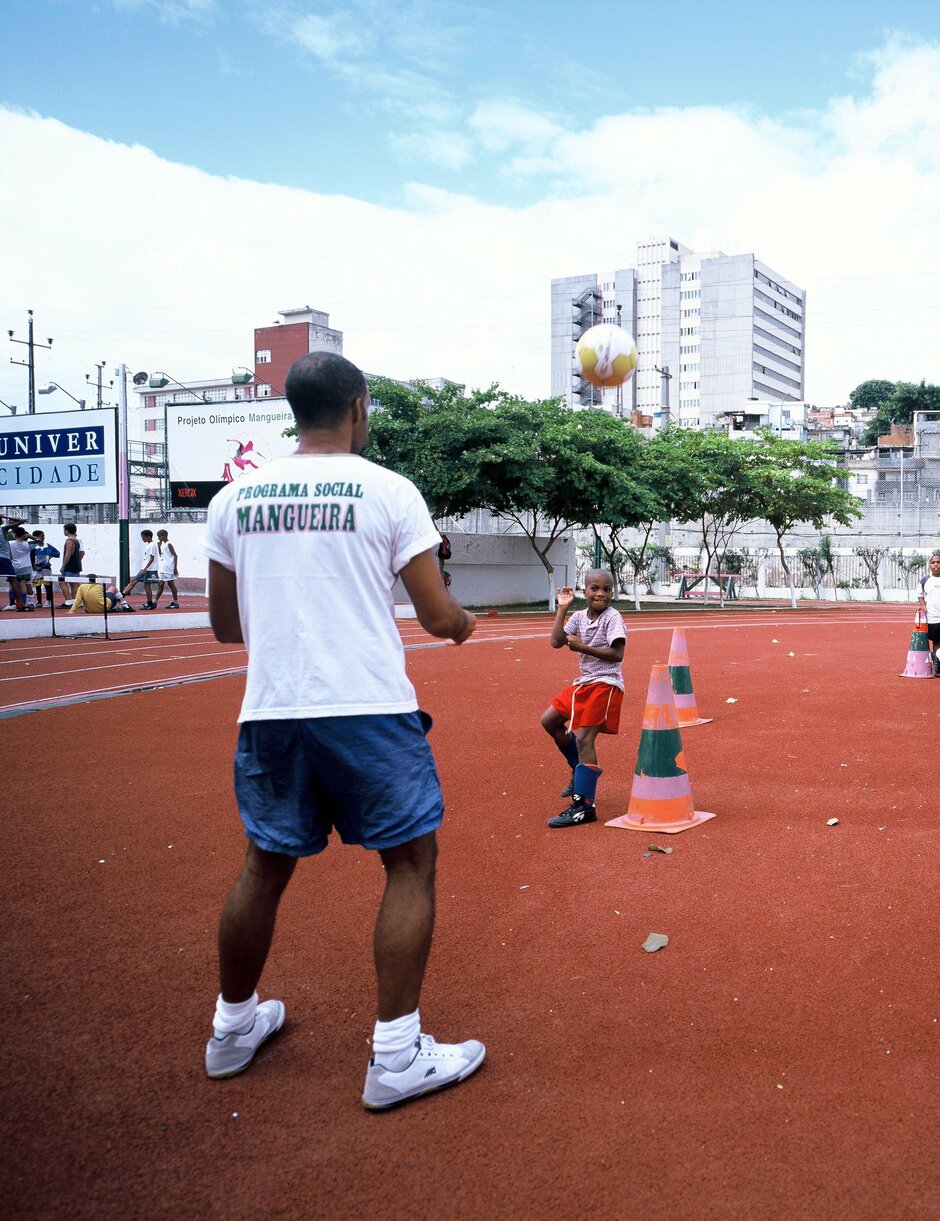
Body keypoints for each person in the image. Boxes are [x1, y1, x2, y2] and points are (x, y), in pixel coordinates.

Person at [201, 350, 482, 1111]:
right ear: (359, 407)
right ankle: (394, 1055)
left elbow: (226, 626)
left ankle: (231, 1029)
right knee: (410, 864)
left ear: (295, 411)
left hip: (272, 708)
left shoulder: (235, 499)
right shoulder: (391, 491)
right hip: (364, 706)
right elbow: (434, 612)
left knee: (265, 866)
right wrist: (461, 624)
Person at [541, 569, 627, 828]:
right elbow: (556, 642)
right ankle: (577, 767)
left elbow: (617, 654)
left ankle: (584, 806)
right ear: (585, 591)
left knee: (584, 738)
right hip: (583, 684)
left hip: (606, 683)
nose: (601, 593)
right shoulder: (578, 617)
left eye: (607, 589)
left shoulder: (613, 618)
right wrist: (562, 609)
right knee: (549, 721)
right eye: (595, 588)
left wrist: (583, 647)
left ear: (612, 593)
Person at [120, 528, 159, 609]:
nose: (142, 539)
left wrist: (145, 569)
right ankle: (121, 596)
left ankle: (150, 603)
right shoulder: (148, 545)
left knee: (146, 585)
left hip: (149, 569)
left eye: (143, 537)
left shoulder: (152, 545)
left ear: (148, 537)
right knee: (134, 582)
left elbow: (152, 558)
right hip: (145, 568)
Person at [7, 526, 36, 611]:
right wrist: (29, 536)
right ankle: (24, 603)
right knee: (24, 584)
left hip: (14, 566)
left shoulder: (10, 543)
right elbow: (39, 540)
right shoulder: (27, 544)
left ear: (14, 534)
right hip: (26, 566)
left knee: (12, 584)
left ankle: (13, 603)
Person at [30, 530, 60, 609]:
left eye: (43, 536)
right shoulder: (32, 547)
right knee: (38, 585)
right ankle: (39, 601)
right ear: (35, 537)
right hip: (36, 569)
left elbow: (57, 553)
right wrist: (35, 567)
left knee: (48, 585)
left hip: (46, 568)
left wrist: (49, 558)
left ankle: (48, 600)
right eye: (41, 536)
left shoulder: (47, 546)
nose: (43, 537)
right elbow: (29, 557)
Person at [154, 529, 180, 608]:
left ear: (164, 536)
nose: (158, 538)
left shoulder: (169, 544)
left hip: (168, 567)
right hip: (163, 567)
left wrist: (175, 568)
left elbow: (175, 555)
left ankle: (175, 602)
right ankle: (155, 601)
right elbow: (162, 555)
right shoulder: (163, 545)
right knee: (163, 584)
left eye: (159, 537)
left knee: (167, 584)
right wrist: (158, 546)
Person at [59, 523, 83, 603]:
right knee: (74, 584)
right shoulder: (76, 540)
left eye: (64, 530)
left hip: (70, 565)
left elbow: (68, 554)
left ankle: (68, 601)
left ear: (67, 531)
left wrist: (63, 566)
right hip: (76, 565)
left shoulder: (69, 541)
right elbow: (80, 553)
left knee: (62, 582)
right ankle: (74, 600)